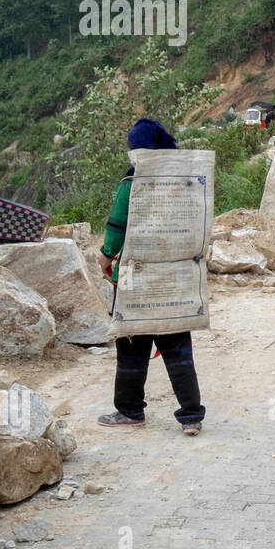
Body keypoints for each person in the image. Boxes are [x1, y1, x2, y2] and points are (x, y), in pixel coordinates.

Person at [95, 118, 206, 435]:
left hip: (135, 277)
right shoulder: (187, 182)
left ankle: (130, 411)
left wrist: (105, 257)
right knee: (177, 345)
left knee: (131, 344)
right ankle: (191, 416)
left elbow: (117, 227)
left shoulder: (131, 184)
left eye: (133, 148)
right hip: (176, 276)